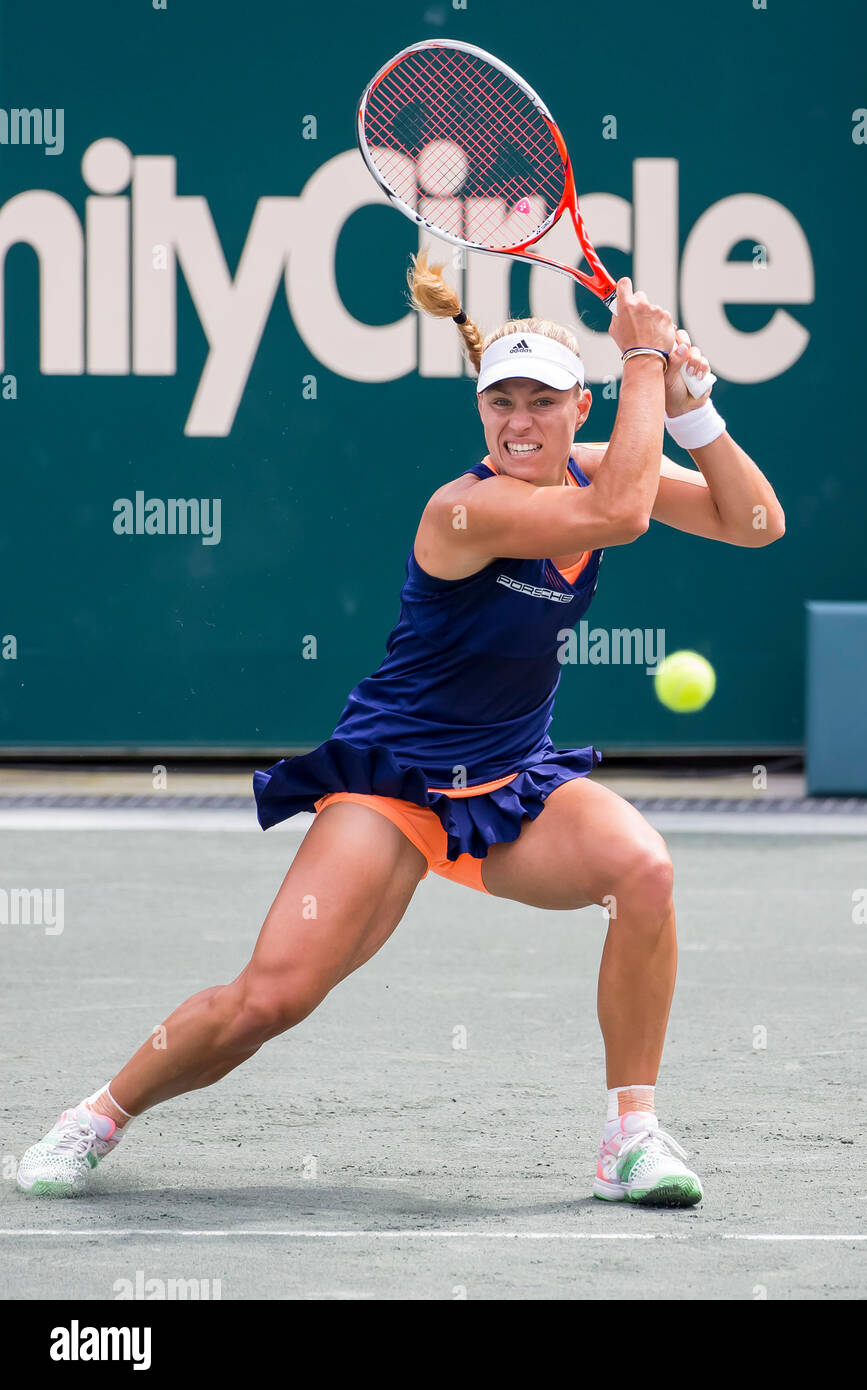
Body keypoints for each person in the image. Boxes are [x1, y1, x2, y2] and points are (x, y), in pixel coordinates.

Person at [17, 258, 785, 1208]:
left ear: (575, 408)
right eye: (499, 401)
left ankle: (630, 1136)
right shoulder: (465, 508)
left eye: (540, 402)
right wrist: (641, 362)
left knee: (646, 872)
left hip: (508, 783)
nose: (517, 422)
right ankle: (94, 1118)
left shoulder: (595, 467)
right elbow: (619, 515)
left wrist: (692, 410)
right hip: (393, 784)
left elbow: (755, 523)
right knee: (272, 999)